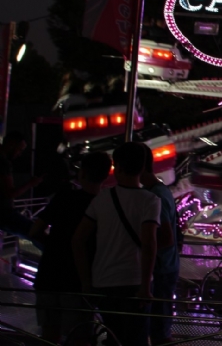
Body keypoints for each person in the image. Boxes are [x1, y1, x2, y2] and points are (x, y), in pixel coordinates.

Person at [73, 142, 161, 346]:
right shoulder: (150, 200)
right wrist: (146, 286)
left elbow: (78, 239)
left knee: (113, 337)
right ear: (142, 167)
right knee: (136, 339)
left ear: (117, 167)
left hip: (104, 282)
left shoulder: (103, 198)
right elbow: (149, 244)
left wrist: (86, 281)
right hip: (135, 282)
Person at [31, 152, 112, 345]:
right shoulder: (104, 204)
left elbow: (35, 231)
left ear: (82, 173)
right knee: (79, 336)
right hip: (80, 281)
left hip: (49, 275)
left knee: (49, 335)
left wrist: (52, 246)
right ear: (106, 175)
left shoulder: (64, 197)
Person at [140, 143, 180, 345]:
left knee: (158, 329)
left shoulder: (155, 196)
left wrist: (143, 249)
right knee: (159, 326)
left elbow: (166, 237)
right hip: (166, 267)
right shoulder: (163, 191)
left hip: (161, 270)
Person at [0, 131, 42, 242]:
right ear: (11, 144)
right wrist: (31, 183)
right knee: (37, 234)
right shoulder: (3, 163)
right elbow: (10, 193)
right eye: (19, 149)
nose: (19, 154)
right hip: (4, 213)